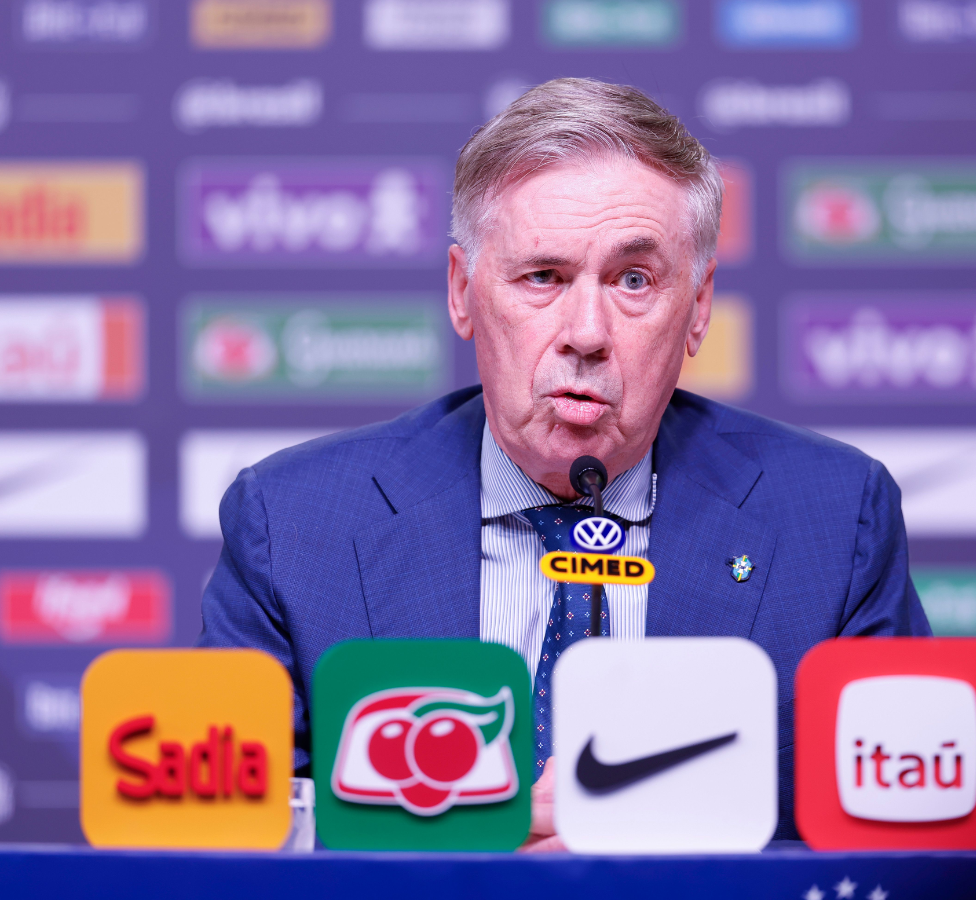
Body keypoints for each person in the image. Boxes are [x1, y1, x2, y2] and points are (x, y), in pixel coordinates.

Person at [198, 77, 930, 847]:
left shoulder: (833, 520)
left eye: (634, 280)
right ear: (463, 292)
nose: (586, 333)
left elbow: (903, 846)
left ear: (699, 307)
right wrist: (456, 860)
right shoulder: (293, 525)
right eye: (543, 277)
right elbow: (231, 852)